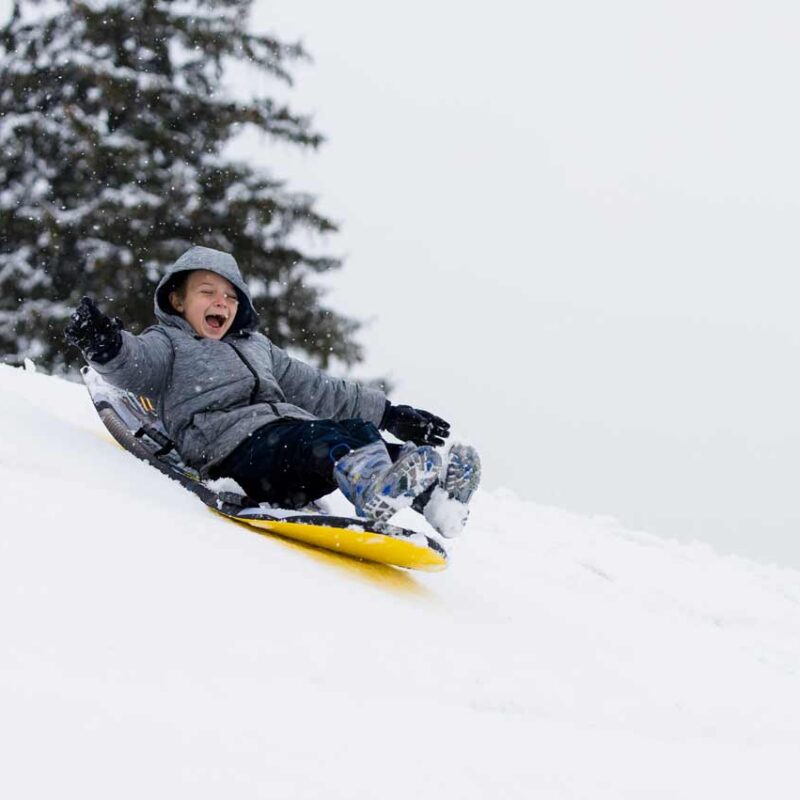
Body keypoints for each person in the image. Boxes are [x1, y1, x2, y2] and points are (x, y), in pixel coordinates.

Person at [65, 246, 480, 536]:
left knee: (353, 431)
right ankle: (373, 488)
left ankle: (436, 497)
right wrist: (106, 344)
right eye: (207, 292)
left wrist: (388, 415)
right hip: (231, 453)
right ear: (176, 300)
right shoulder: (169, 343)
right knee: (320, 438)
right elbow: (134, 365)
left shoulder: (257, 347)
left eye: (229, 296)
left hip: (285, 452)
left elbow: (319, 388)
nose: (220, 303)